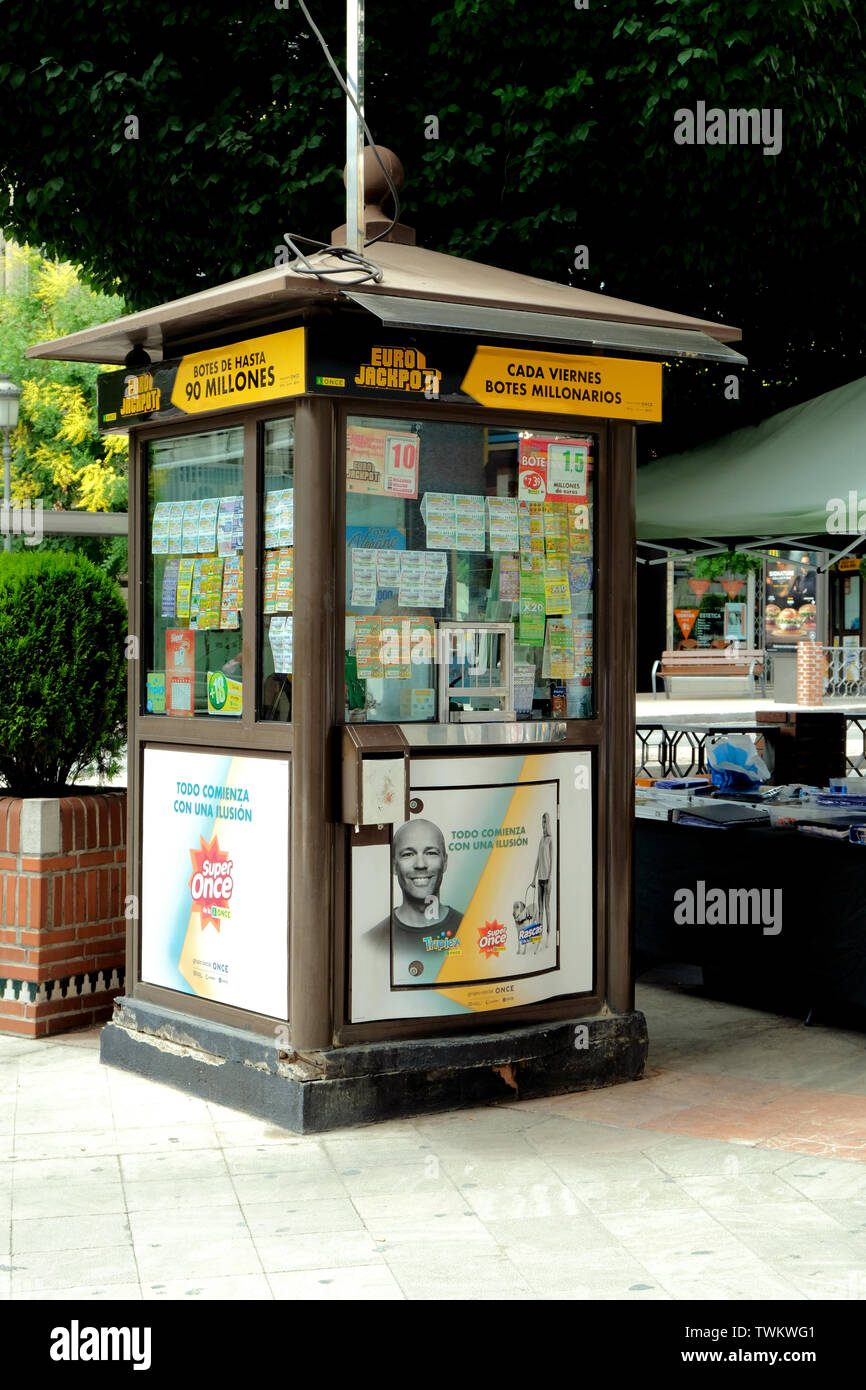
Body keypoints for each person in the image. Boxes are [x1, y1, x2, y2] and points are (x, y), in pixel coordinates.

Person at [366, 819, 463, 983]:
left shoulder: (470, 930)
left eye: (431, 853)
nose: (420, 864)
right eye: (408, 854)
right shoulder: (372, 943)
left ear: (445, 862)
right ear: (393, 866)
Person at [531, 811, 554, 939]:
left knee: (547, 907)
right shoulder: (541, 840)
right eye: (542, 821)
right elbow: (538, 860)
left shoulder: (550, 840)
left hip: (547, 880)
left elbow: (552, 861)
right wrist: (533, 878)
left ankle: (549, 933)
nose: (543, 824)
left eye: (545, 821)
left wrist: (550, 878)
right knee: (539, 909)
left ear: (548, 823)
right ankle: (539, 934)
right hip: (539, 879)